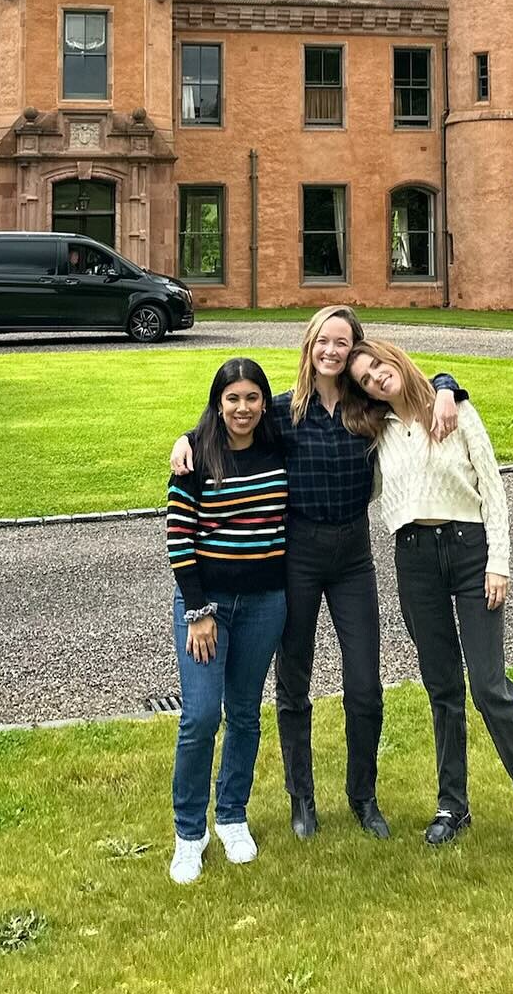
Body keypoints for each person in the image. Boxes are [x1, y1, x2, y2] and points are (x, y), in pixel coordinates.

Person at [170, 306, 462, 841]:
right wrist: (186, 438)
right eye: (323, 340)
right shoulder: (283, 413)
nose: (331, 351)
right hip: (297, 555)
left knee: (365, 684)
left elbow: (413, 385)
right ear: (309, 345)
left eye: (342, 343)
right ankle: (301, 797)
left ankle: (363, 795)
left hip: (353, 556)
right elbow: (228, 420)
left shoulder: (368, 409)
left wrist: (447, 388)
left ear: (354, 350)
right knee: (294, 680)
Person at [348, 335, 513, 859]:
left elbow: (493, 489)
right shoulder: (377, 433)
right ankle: (453, 805)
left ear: (393, 356)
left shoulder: (455, 409)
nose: (375, 378)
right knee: (442, 686)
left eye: (377, 365)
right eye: (364, 380)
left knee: (490, 687)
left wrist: (499, 562)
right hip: (414, 558)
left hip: (471, 553)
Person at [166, 357, 289, 885]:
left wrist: (447, 388)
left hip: (265, 604)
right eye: (233, 398)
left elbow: (319, 395)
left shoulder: (279, 444)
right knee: (199, 717)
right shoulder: (196, 455)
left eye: (252, 397)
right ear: (218, 403)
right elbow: (179, 537)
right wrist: (198, 612)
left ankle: (232, 816)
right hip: (207, 607)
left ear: (264, 401)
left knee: (244, 714)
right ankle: (189, 832)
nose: (243, 408)